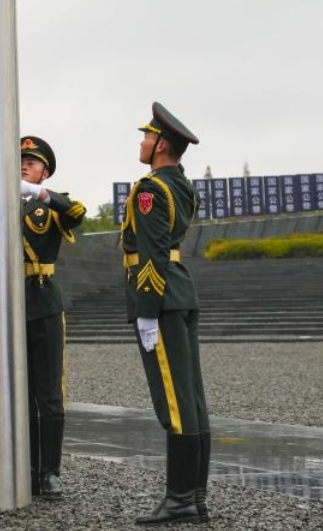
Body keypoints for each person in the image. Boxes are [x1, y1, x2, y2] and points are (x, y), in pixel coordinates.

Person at [122, 102, 211, 526]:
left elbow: (153, 252)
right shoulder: (184, 187)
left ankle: (180, 500)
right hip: (180, 292)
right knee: (191, 397)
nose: (142, 143)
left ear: (160, 145)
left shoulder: (150, 189)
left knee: (173, 401)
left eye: (146, 136)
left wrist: (146, 310)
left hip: (161, 300)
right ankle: (195, 497)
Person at [18, 136, 87, 500]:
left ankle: (50, 472)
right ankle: (28, 469)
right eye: (20, 160)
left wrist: (41, 194)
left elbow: (78, 213)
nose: (23, 165)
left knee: (49, 394)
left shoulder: (50, 205)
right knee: (22, 394)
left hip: (44, 301)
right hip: (10, 305)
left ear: (44, 172)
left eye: (31, 162)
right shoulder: (1, 203)